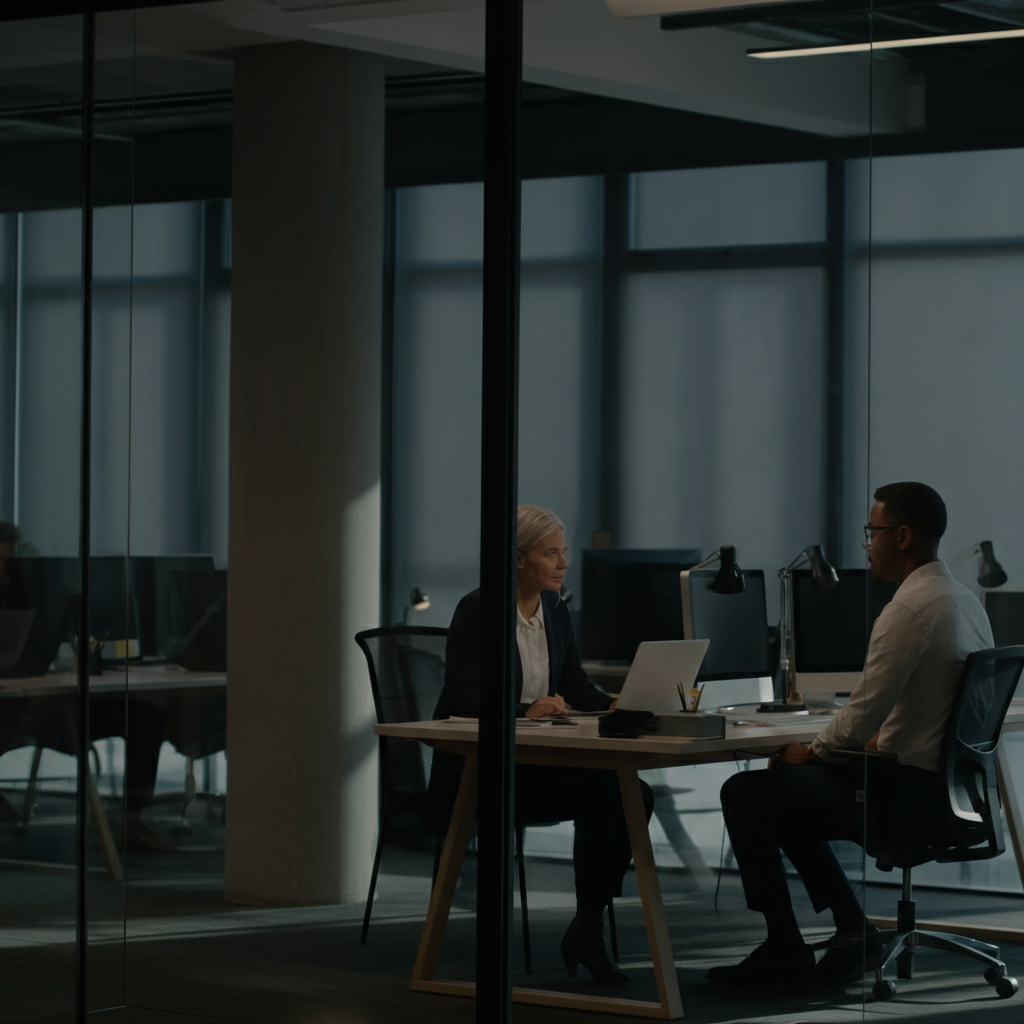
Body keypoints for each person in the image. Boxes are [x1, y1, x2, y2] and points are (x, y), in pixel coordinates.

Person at [706, 482, 994, 988]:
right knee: (788, 796)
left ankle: (784, 946)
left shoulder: (908, 610)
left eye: (872, 531)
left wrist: (811, 752)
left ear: (902, 536)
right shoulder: (964, 601)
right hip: (948, 789)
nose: (866, 544)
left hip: (904, 792)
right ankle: (849, 927)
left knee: (747, 792)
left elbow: (861, 715)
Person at [432, 504, 654, 985]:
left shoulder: (554, 608)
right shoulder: (478, 610)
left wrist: (620, 704)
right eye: (551, 553)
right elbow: (464, 696)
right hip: (483, 772)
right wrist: (522, 710)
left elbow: (575, 686)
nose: (563, 564)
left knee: (629, 791)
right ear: (517, 559)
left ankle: (587, 924)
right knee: (609, 792)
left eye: (563, 553)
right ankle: (587, 932)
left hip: (533, 762)